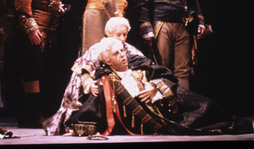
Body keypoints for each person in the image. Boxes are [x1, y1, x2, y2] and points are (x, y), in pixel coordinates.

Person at [62, 37, 254, 136]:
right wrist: (76, 127)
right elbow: (90, 109)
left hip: (168, 100)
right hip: (156, 118)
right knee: (198, 123)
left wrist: (155, 86)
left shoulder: (138, 63)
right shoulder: (105, 81)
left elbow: (165, 74)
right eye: (117, 53)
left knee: (207, 106)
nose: (123, 55)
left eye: (123, 51)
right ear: (108, 61)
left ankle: (238, 122)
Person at [43, 17, 144, 135]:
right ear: (109, 33)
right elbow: (83, 69)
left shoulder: (131, 50)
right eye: (118, 35)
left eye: (125, 35)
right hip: (100, 90)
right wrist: (88, 84)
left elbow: (144, 67)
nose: (122, 38)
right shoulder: (97, 49)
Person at [15, 0, 64, 128]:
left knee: (41, 72)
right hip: (36, 29)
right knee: (32, 73)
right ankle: (32, 115)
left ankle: (37, 113)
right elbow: (22, 3)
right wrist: (30, 27)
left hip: (49, 29)